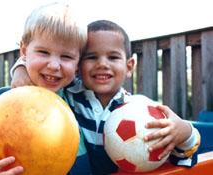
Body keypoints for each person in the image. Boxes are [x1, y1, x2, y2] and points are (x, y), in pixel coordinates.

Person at [11, 20, 201, 174]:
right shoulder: (65, 94)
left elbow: (183, 157)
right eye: (92, 57)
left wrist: (184, 132)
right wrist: (20, 69)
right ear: (77, 65)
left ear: (129, 66)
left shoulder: (143, 112)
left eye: (113, 57)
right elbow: (39, 71)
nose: (102, 64)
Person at [0, 2, 91, 175]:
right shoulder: (6, 100)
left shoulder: (78, 98)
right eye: (43, 52)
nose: (54, 65)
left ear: (78, 63)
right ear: (24, 51)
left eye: (66, 56)